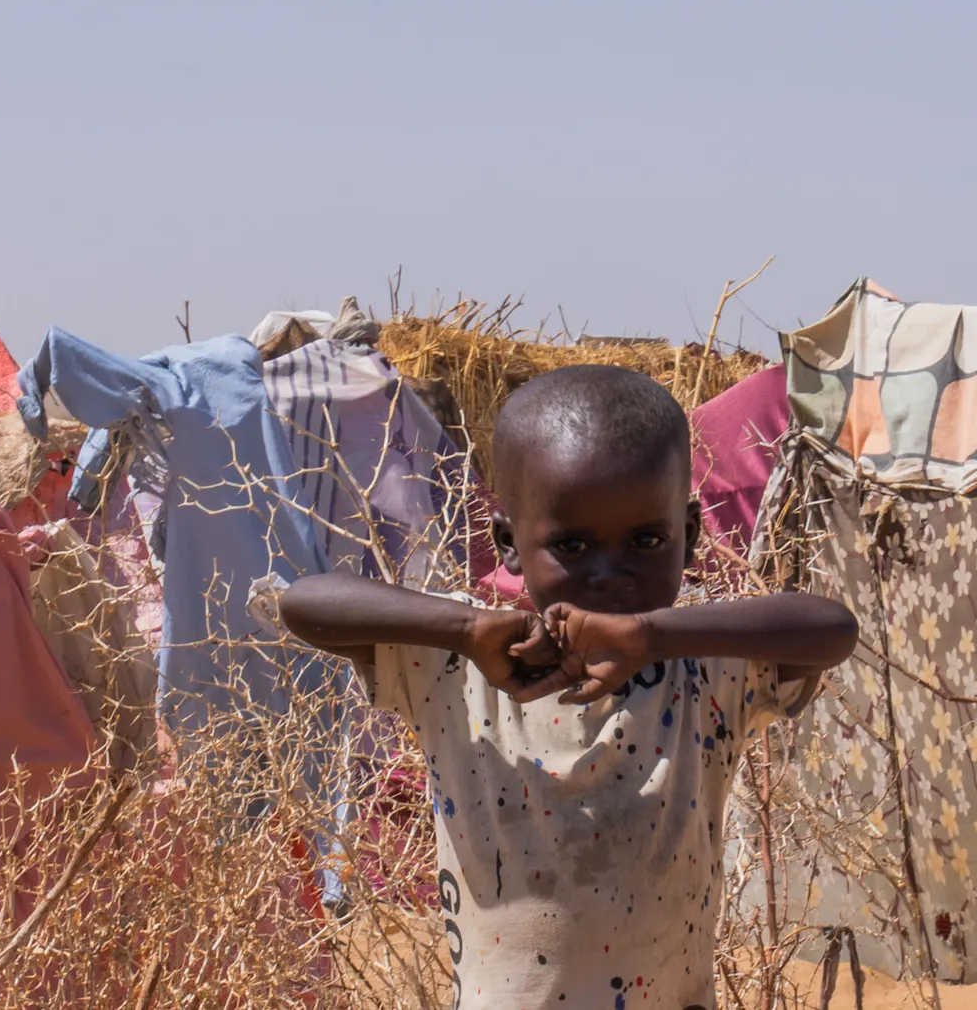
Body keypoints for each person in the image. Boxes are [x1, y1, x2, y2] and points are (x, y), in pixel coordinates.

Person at [275, 365, 859, 1010]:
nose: (610, 575)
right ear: (508, 544)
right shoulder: (460, 663)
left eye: (646, 540)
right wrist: (465, 626)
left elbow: (831, 628)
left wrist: (651, 637)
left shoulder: (706, 667)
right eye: (572, 545)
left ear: (689, 534)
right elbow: (305, 605)